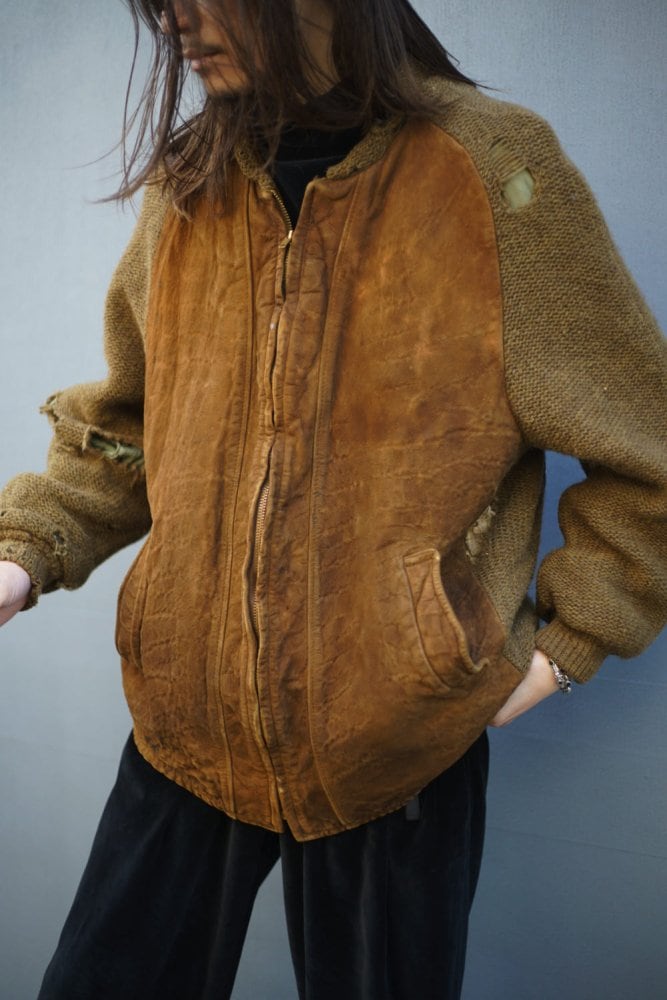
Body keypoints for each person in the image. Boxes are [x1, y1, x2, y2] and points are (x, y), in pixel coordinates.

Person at [0, 1, 665, 997]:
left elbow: (647, 445)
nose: (174, 20)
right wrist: (25, 549)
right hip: (186, 727)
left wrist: (571, 643)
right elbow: (132, 427)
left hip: (394, 755)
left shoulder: (490, 169)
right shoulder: (191, 182)